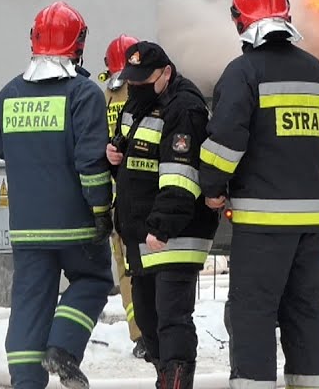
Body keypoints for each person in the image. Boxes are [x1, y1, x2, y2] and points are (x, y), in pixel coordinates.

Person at [199, 0, 319, 389]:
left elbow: (226, 141)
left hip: (263, 221)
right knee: (304, 309)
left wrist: (213, 188)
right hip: (311, 219)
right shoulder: (314, 70)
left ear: (240, 22)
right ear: (286, 15)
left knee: (253, 311)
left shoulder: (244, 72)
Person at [0, 1, 115, 389]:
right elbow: (91, 162)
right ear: (78, 45)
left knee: (29, 302)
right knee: (93, 280)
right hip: (75, 223)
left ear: (34, 42)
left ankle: (26, 381)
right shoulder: (84, 94)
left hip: (27, 228)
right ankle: (62, 348)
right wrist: (101, 210)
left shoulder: (8, 94)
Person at [106, 41, 216, 389]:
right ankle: (164, 377)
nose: (136, 86)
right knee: (148, 319)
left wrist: (162, 227)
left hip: (174, 234)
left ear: (166, 73)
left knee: (171, 319)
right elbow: (129, 147)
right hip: (143, 234)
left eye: (144, 79)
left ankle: (176, 380)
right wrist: (112, 153)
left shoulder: (184, 108)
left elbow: (181, 176)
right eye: (132, 79)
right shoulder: (137, 103)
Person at [99, 34, 146, 358]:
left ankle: (139, 334)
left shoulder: (105, 99)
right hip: (144, 198)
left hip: (116, 203)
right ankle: (152, 331)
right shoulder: (143, 94)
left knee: (127, 270)